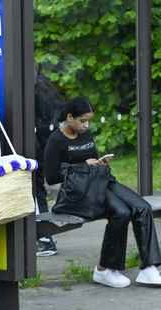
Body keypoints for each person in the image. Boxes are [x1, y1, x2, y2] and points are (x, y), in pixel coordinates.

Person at [44, 96, 161, 288]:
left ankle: (149, 268)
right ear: (70, 117)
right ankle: (105, 270)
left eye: (89, 120)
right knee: (121, 212)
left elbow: (93, 158)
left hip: (100, 180)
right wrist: (82, 165)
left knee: (142, 207)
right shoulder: (55, 140)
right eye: (82, 121)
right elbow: (51, 176)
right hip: (80, 192)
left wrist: (100, 162)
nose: (86, 125)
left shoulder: (85, 135)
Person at [34, 70, 66, 256]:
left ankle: (45, 239)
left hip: (36, 143)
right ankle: (44, 237)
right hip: (43, 142)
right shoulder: (43, 83)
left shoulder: (35, 85)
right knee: (36, 190)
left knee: (35, 190)